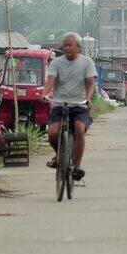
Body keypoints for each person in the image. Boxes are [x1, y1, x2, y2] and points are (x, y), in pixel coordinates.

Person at [42, 32, 97, 181]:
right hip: (59, 104)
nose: (67, 48)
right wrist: (45, 94)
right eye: (64, 45)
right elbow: (50, 80)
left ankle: (76, 167)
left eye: (70, 45)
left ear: (77, 47)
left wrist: (88, 98)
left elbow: (90, 83)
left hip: (79, 105)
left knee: (79, 129)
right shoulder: (56, 63)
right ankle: (60, 154)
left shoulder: (87, 62)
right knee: (53, 133)